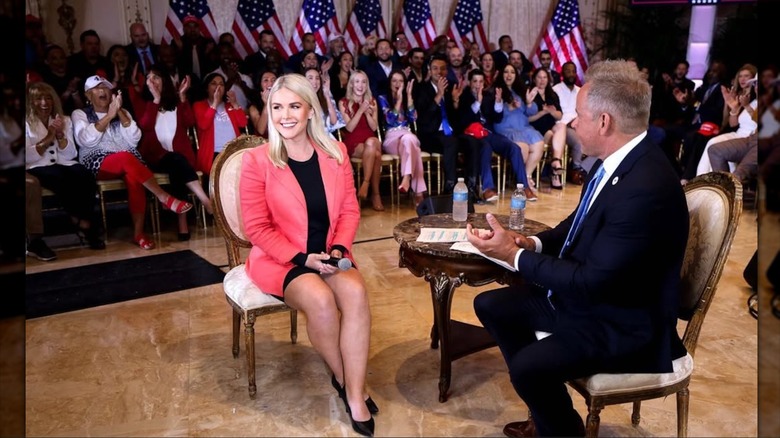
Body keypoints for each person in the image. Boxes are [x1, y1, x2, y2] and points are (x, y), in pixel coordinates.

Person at [466, 60, 689, 437]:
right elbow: (577, 223)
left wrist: (513, 256)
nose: (572, 124)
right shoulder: (617, 161)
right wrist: (530, 242)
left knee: (529, 367)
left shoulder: (645, 187)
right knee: (491, 306)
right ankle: (548, 414)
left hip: (625, 322)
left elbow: (589, 281)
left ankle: (563, 430)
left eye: (578, 117)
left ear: (604, 122)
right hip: (595, 299)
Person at [239, 73, 376, 437]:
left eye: (294, 106)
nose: (285, 115)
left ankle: (352, 387)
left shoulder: (336, 153)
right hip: (281, 258)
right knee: (319, 300)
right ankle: (351, 386)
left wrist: (337, 249)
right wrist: (303, 259)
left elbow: (349, 210)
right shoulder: (257, 161)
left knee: (357, 293)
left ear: (310, 111)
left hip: (330, 252)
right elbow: (257, 229)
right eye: (277, 107)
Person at [72, 75, 192, 250]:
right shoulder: (80, 114)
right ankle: (163, 196)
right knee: (126, 158)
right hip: (97, 161)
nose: (103, 91)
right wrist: (108, 116)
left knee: (133, 176)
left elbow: (134, 139)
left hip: (127, 160)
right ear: (88, 95)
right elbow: (85, 140)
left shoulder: (124, 113)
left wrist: (118, 111)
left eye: (106, 88)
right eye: (97, 88)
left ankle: (138, 234)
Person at [131, 66, 213, 241]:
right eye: (148, 78)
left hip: (179, 158)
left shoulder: (176, 102)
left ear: (164, 81)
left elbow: (189, 121)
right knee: (177, 161)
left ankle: (182, 222)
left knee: (178, 164)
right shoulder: (143, 102)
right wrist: (156, 100)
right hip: (156, 157)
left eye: (156, 77)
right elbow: (145, 125)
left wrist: (183, 96)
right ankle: (204, 200)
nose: (152, 81)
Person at [25, 81, 104, 251]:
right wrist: (49, 137)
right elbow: (26, 156)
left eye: (48, 98)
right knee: (60, 177)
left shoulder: (64, 120)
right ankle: (84, 223)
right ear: (31, 102)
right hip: (36, 166)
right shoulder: (24, 122)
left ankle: (82, 220)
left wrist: (60, 135)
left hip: (63, 163)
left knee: (84, 175)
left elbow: (69, 154)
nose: (45, 103)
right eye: (39, 99)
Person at [492, 64, 545, 195]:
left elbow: (530, 112)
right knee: (523, 148)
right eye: (506, 72)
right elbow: (493, 114)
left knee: (539, 144)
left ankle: (526, 177)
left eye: (512, 72)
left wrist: (528, 102)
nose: (509, 75)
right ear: (501, 74)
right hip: (506, 128)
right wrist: (508, 107)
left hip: (523, 127)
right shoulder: (496, 91)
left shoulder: (521, 91)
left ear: (516, 75)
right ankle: (523, 183)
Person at [377, 70, 426, 205]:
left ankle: (406, 178)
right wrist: (398, 101)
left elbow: (413, 117)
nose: (397, 84)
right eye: (394, 81)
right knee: (413, 146)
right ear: (390, 83)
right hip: (392, 138)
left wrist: (408, 97)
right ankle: (418, 192)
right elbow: (389, 120)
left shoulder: (406, 98)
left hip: (407, 135)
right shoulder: (383, 98)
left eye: (401, 81)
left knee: (409, 140)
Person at [338, 70, 384, 211]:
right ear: (351, 84)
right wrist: (360, 110)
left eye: (363, 82)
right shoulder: (343, 102)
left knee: (371, 142)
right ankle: (375, 194)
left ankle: (365, 183)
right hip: (355, 143)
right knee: (375, 154)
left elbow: (374, 126)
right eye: (357, 81)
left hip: (371, 139)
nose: (360, 85)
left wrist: (367, 111)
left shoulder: (372, 101)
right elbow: (350, 128)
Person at [192, 72, 247, 176]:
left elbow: (243, 123)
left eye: (221, 84)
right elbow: (204, 125)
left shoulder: (229, 105)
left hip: (234, 152)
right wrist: (214, 104)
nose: (218, 87)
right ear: (207, 88)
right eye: (213, 83)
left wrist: (235, 104)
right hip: (214, 154)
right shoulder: (199, 105)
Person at [303, 67, 345, 138]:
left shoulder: (323, 100)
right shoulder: (299, 100)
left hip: (325, 138)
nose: (315, 81)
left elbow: (334, 121)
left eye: (317, 78)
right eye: (310, 78)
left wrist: (327, 94)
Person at [247, 70, 278, 137]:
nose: (270, 83)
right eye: (266, 80)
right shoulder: (254, 107)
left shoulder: (284, 100)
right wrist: (266, 105)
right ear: (259, 84)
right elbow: (261, 131)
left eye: (273, 80)